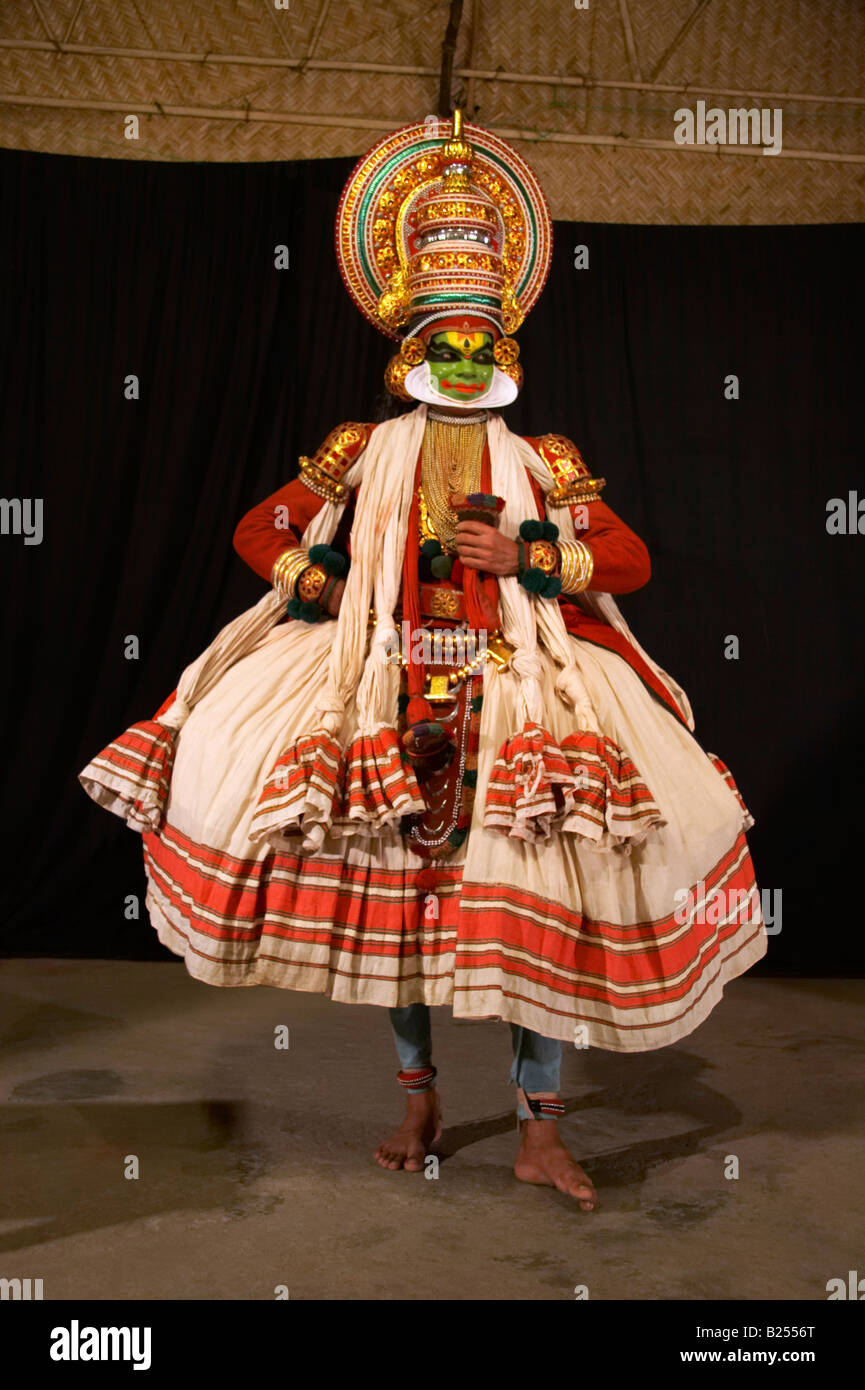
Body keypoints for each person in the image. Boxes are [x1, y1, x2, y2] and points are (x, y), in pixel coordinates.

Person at [80, 113, 766, 1211]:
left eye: (477, 344)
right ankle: (418, 1102)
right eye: (441, 340)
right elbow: (263, 530)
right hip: (383, 683)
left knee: (539, 882)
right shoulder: (362, 446)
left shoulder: (546, 458)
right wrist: (322, 581)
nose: (459, 358)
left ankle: (539, 1132)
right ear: (410, 345)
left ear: (505, 348)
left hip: (521, 690)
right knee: (400, 911)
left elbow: (626, 561)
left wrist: (537, 555)